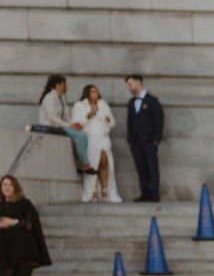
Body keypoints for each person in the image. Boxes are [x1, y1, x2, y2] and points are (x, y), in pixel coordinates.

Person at [71, 83, 119, 203]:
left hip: (103, 137)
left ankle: (105, 189)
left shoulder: (103, 104)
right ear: (87, 93)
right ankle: (92, 190)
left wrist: (109, 120)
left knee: (104, 162)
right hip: (90, 138)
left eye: (96, 91)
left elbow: (112, 121)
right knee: (93, 164)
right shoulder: (80, 105)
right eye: (92, 91)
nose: (95, 94)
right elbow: (76, 123)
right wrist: (89, 115)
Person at [124, 73, 166, 203]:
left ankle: (154, 192)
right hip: (136, 141)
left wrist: (156, 139)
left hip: (149, 140)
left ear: (138, 83)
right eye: (128, 85)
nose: (129, 87)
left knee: (151, 167)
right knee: (140, 167)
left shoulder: (152, 101)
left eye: (131, 84)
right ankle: (145, 192)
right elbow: (130, 122)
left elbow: (159, 120)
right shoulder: (131, 102)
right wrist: (130, 139)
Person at [35, 75, 86, 174]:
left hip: (60, 127)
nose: (66, 87)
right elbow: (52, 118)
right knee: (80, 136)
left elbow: (66, 116)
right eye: (64, 85)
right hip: (51, 128)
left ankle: (81, 162)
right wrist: (68, 126)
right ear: (58, 85)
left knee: (82, 135)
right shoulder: (50, 97)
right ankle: (83, 163)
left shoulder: (61, 98)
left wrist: (73, 125)